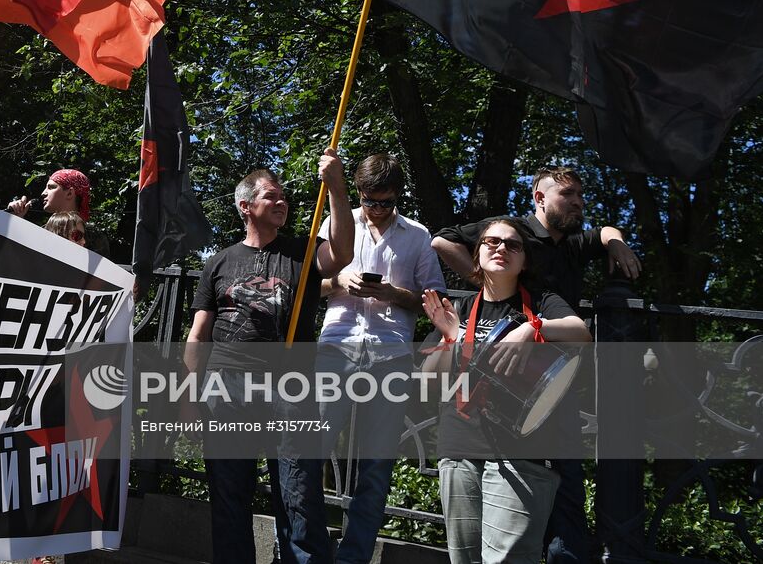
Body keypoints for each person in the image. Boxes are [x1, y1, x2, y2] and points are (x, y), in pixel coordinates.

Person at [431, 165, 641, 563]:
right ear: (540, 198)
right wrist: (491, 287)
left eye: (581, 194)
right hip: (498, 396)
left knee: (563, 496)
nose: (578, 201)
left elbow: (607, 232)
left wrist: (617, 245)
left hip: (553, 383)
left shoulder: (573, 243)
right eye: (568, 194)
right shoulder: (513, 232)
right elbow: (441, 241)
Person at [184, 154, 352, 564]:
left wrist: (336, 186)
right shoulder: (219, 262)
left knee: (299, 493)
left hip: (290, 387)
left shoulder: (302, 250)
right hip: (226, 389)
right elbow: (199, 333)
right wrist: (189, 389)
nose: (282, 202)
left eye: (284, 197)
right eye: (270, 196)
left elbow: (343, 253)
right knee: (228, 494)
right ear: (246, 206)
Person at [422, 217, 592, 564]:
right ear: (477, 254)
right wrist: (451, 339)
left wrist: (534, 328)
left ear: (524, 259)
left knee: (508, 560)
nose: (501, 248)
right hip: (459, 447)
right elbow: (428, 381)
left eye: (513, 245)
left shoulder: (543, 301)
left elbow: (581, 333)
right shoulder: (461, 309)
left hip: (524, 452)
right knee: (464, 559)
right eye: (491, 242)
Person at [313, 153, 445, 564]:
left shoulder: (418, 235)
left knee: (376, 463)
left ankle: (354, 557)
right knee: (310, 450)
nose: (377, 209)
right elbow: (308, 285)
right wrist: (338, 281)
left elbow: (433, 299)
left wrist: (393, 294)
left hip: (389, 353)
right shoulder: (337, 221)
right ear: (359, 193)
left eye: (385, 202)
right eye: (370, 201)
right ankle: (305, 548)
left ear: (398, 196)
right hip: (336, 344)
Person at [8, 169, 112, 260]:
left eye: (51, 187)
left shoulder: (95, 239)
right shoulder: (41, 232)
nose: (43, 193)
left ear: (70, 193)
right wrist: (16, 221)